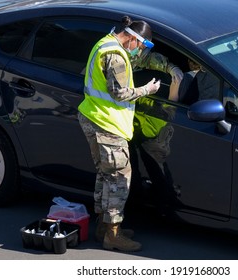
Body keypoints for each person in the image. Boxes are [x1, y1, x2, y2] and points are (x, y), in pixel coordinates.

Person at [77, 15, 180, 252]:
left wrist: (169, 66)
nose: (139, 52)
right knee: (118, 179)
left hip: (94, 117)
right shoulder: (116, 55)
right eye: (141, 47)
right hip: (107, 124)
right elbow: (119, 93)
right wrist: (148, 89)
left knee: (104, 176)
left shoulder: (105, 43)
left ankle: (104, 227)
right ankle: (113, 235)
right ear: (133, 39)